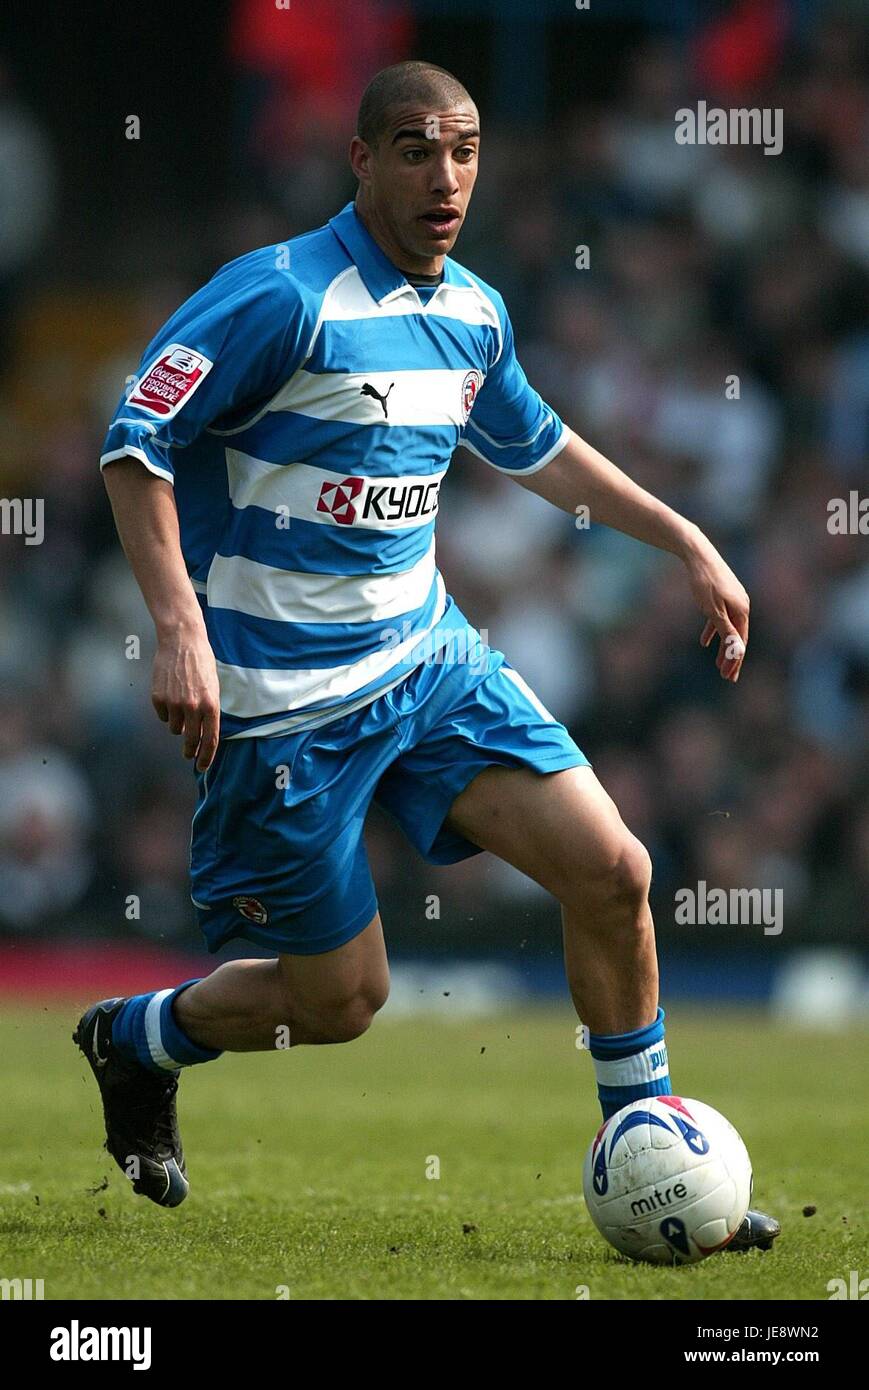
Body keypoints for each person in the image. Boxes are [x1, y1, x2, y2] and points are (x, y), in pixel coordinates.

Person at [76, 60, 778, 1253]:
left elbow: (539, 448)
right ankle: (136, 1038)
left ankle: (648, 1154)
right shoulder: (278, 298)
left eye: (460, 151)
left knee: (613, 871)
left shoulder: (474, 313)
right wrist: (179, 629)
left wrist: (684, 538)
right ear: (361, 162)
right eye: (413, 150)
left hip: (428, 663)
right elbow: (134, 441)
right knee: (340, 1004)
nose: (443, 175)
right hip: (281, 706)